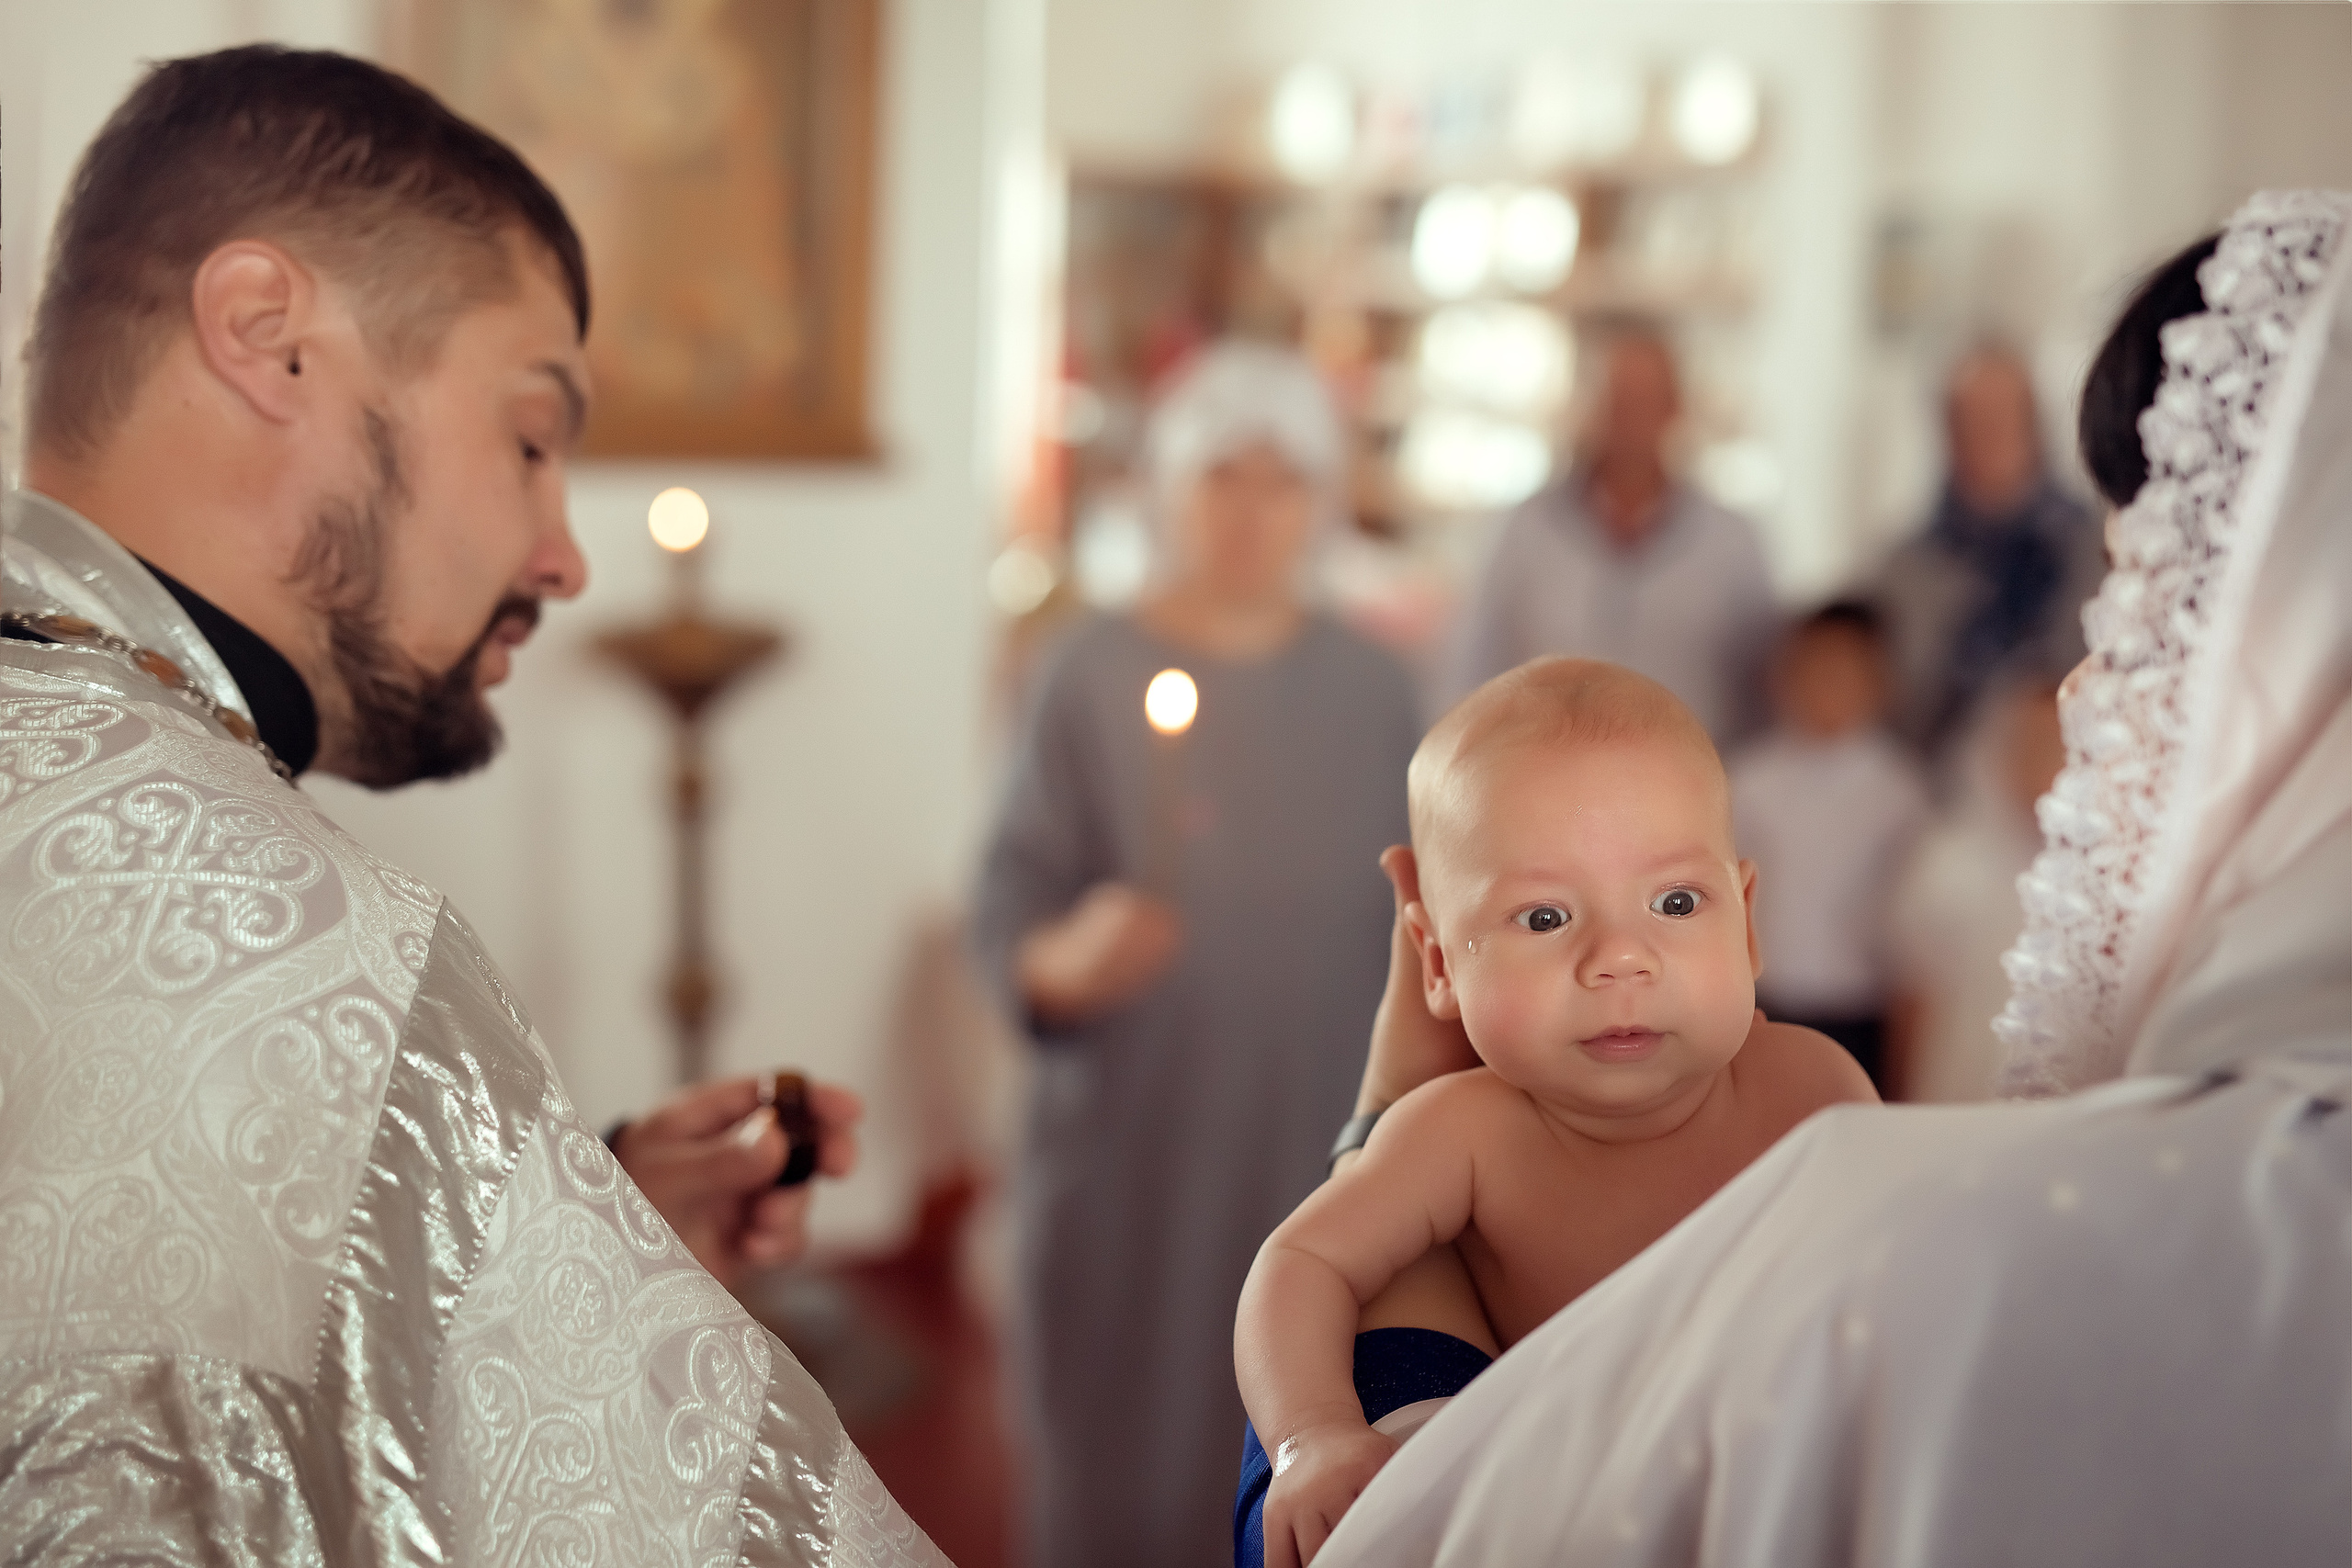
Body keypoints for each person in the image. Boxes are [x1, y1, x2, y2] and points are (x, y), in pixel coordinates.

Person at [1308, 194, 2352, 1564]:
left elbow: (1382, 1529)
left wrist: (1390, 1138)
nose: (2089, 681)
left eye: (2145, 595)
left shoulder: (1908, 1218)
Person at [0, 48, 941, 1563]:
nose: (565, 555)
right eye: (530, 435)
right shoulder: (288, 940)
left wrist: (516, 1234)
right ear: (269, 338)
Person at [1233, 660, 1876, 1568]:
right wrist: (1312, 1436)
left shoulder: (1808, 1089)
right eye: (1542, 918)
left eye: (1676, 903)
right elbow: (1298, 1263)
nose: (1619, 957)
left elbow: (1895, 1292)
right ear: (1439, 964)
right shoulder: (1464, 1133)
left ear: (1747, 922)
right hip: (1559, 1503)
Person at [971, 342, 1422, 1568]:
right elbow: (1013, 897)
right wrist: (1065, 956)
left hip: (1324, 1145)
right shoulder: (1089, 669)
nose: (1251, 509)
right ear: (1170, 488)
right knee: (1123, 1457)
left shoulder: (1382, 687)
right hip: (1135, 1149)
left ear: (1322, 500)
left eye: (1284, 478)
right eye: (1224, 473)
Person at [1448, 328, 1778, 748]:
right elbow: (1471, 666)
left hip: (1687, 788)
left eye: (1646, 401)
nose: (1630, 419)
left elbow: (1766, 686)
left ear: (1675, 408)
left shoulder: (1732, 540)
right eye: (1617, 400)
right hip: (1543, 782)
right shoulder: (1525, 530)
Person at [1728, 602, 1931, 1089]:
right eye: (1812, 670)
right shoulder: (1748, 780)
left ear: (1880, 685)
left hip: (1862, 1002)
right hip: (1765, 1000)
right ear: (1782, 677)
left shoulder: (1900, 791)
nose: (1826, 687)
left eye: (1844, 674)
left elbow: (1910, 916)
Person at [1871, 342, 2105, 762]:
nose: (1985, 436)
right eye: (1967, 420)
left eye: (2000, 418)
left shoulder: (2097, 551)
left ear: (2033, 424)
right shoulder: (1904, 570)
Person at [1883, 678, 2066, 1102]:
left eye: (2062, 743)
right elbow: (1912, 994)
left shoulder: (2114, 868)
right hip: (1957, 1085)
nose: (2044, 760)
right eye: (2030, 742)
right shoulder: (1948, 857)